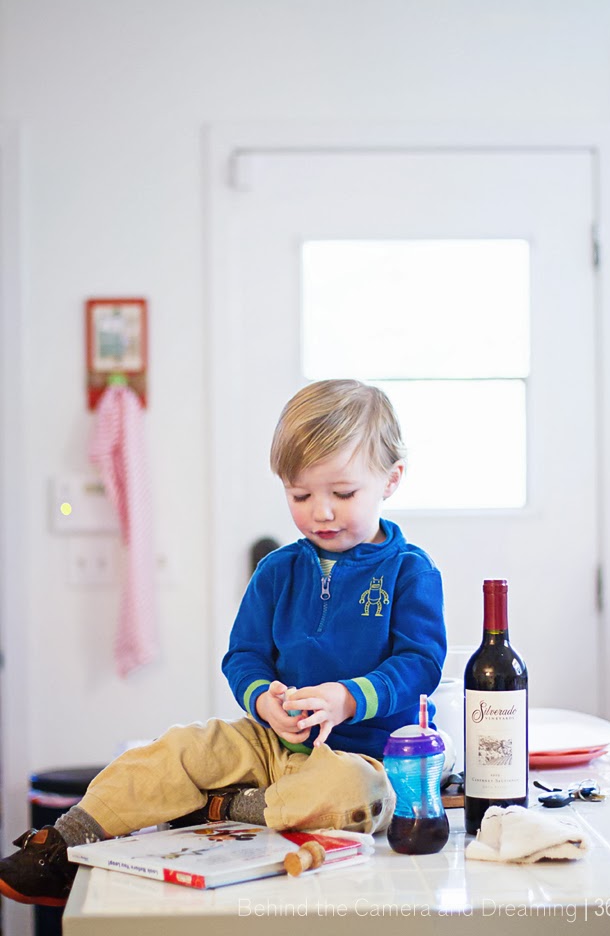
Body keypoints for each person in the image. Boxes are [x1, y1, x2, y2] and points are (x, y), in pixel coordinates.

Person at [0, 379, 446, 907]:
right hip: (271, 741)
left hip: (361, 756)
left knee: (358, 797)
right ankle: (65, 846)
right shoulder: (277, 571)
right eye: (300, 495)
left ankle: (225, 809)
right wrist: (262, 700)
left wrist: (347, 698)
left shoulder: (409, 571)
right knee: (176, 748)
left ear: (391, 480)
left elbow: (420, 662)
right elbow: (244, 656)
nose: (320, 512)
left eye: (343, 494)